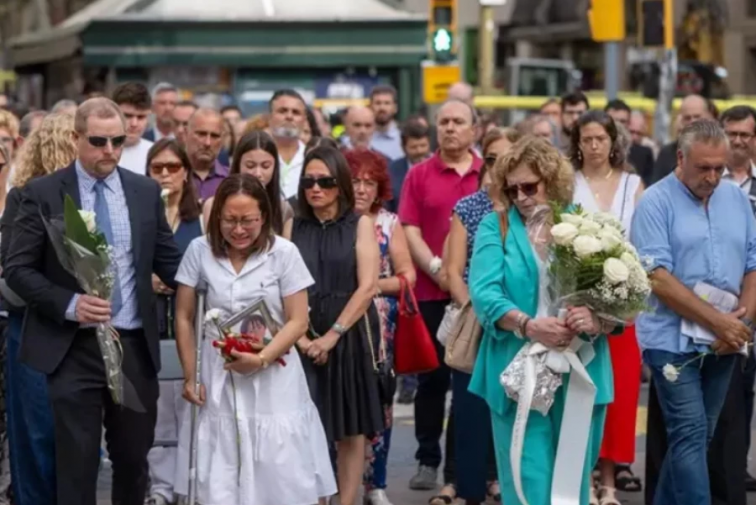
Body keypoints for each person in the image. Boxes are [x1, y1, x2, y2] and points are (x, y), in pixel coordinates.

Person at [4, 97, 182, 505]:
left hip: (132, 344)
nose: (110, 151)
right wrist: (69, 303)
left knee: (134, 458)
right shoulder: (43, 193)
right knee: (77, 461)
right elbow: (18, 269)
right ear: (76, 138)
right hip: (73, 347)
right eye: (99, 141)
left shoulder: (143, 191)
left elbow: (170, 262)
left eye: (118, 141)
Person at [172, 174, 336, 505]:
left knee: (278, 465)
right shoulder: (199, 250)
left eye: (248, 220)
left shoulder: (284, 253)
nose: (239, 229)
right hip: (218, 374)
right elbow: (184, 316)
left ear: (264, 217)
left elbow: (298, 320)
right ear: (217, 216)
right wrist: (190, 375)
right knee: (222, 464)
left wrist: (261, 359)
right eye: (230, 220)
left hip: (274, 373)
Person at [469, 135, 613, 505]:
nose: (521, 197)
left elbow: (617, 292)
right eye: (512, 189)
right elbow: (485, 293)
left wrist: (596, 318)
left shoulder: (584, 224)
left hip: (581, 365)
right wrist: (528, 325)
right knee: (528, 478)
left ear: (552, 181)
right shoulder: (494, 226)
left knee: (573, 477)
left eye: (529, 187)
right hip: (519, 366)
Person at [631, 119, 756, 505]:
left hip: (725, 338)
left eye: (719, 167)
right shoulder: (655, 201)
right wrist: (719, 321)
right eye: (704, 168)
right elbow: (657, 277)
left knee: (699, 436)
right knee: (688, 432)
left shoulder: (735, 197)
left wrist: (743, 321)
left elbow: (753, 262)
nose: (713, 177)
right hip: (671, 340)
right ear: (681, 158)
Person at [286, 146, 383, 505]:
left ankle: (345, 501)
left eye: (325, 181)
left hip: (348, 334)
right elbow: (281, 285)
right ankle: (314, 498)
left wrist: (330, 337)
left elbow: (368, 286)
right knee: (304, 427)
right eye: (309, 181)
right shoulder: (292, 224)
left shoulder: (360, 224)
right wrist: (302, 339)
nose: (316, 189)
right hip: (299, 335)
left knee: (351, 429)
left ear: (340, 184)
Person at [399, 99, 481, 500]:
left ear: (474, 130)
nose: (450, 128)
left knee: (471, 383)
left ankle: (467, 466)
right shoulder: (419, 175)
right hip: (432, 292)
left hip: (477, 296)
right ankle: (427, 458)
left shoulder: (489, 174)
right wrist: (438, 268)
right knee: (432, 381)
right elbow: (409, 227)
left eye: (458, 122)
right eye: (444, 122)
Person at [1, 112, 77, 505]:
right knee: (35, 431)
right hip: (31, 328)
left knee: (68, 434)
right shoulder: (25, 197)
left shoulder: (91, 197)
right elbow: (13, 272)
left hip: (76, 330)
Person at [569, 111, 644, 503]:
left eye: (601, 138)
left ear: (613, 141)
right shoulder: (567, 183)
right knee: (581, 392)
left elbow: (643, 244)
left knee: (619, 394)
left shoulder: (634, 184)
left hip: (621, 306)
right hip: (577, 302)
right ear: (577, 143)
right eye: (587, 139)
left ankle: (609, 481)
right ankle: (582, 477)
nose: (594, 146)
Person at [443, 127, 518, 505]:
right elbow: (454, 270)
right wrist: (479, 312)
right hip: (475, 321)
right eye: (491, 158)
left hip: (521, 324)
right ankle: (467, 488)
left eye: (507, 158)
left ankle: (505, 481)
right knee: (471, 413)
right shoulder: (469, 207)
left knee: (514, 412)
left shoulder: (530, 208)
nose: (498, 166)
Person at [345, 149, 416, 505]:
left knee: (379, 403)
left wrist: (370, 285)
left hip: (379, 328)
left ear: (379, 187)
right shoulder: (335, 220)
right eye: (354, 180)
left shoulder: (389, 222)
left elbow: (408, 276)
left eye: (368, 182)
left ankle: (375, 484)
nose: (360, 189)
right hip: (338, 322)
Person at [143, 139, 203, 505]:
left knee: (190, 407)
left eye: (173, 167)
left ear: (186, 171)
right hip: (152, 318)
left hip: (191, 320)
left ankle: (188, 485)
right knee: (158, 410)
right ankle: (161, 487)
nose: (166, 174)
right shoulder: (143, 210)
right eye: (158, 168)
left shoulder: (200, 216)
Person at [203, 131, 294, 234]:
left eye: (265, 166)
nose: (258, 173)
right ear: (238, 165)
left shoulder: (283, 210)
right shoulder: (213, 205)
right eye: (250, 166)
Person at [385, 121, 431, 214]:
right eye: (413, 147)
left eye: (423, 146)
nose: (419, 151)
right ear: (403, 147)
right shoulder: (391, 171)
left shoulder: (441, 168)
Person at [269, 90, 308, 199]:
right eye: (282, 111)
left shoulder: (313, 157)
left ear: (304, 120)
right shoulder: (255, 156)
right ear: (270, 116)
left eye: (296, 112)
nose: (289, 116)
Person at [186, 108, 229, 202]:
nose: (207, 143)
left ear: (222, 140)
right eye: (201, 134)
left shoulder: (231, 180)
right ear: (186, 133)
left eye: (214, 136)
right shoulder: (171, 175)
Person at [112, 82, 154, 175]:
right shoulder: (94, 151)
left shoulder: (156, 153)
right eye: (127, 115)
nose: (134, 124)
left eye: (141, 117)